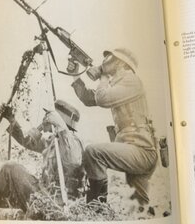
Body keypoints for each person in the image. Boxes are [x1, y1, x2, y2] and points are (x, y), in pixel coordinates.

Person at [67, 48, 158, 205]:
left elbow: (102, 98)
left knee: (93, 152)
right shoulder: (120, 85)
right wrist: (76, 73)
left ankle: (96, 209)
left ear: (121, 63)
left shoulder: (131, 81)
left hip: (141, 150)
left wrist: (102, 75)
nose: (104, 62)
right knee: (140, 206)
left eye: (109, 59)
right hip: (131, 148)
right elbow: (89, 98)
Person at [0, 99, 85, 212]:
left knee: (8, 168)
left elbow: (73, 161)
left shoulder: (75, 143)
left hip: (58, 203)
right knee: (9, 168)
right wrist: (12, 119)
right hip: (44, 194)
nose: (46, 117)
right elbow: (27, 141)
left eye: (49, 115)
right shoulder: (53, 140)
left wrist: (61, 127)